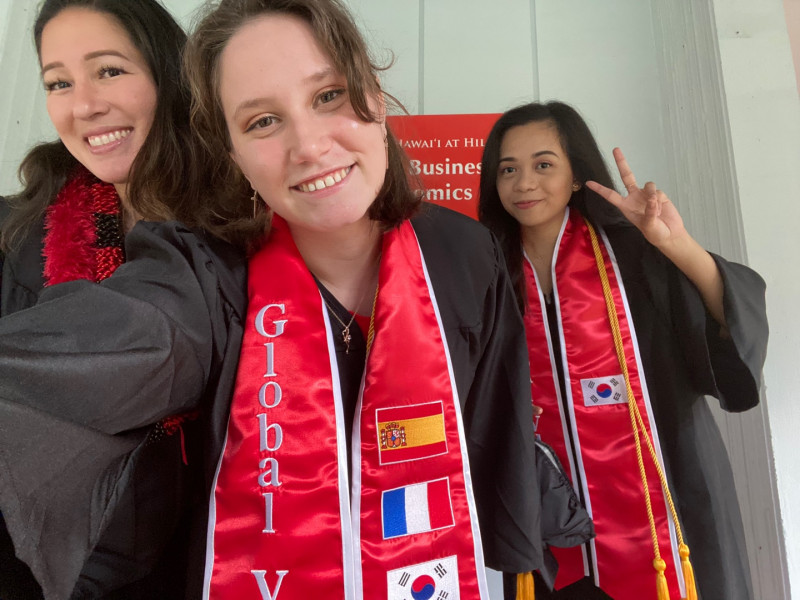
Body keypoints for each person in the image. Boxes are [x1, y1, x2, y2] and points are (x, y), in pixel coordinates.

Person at [181, 1, 542, 598]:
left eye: (329, 95)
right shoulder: (208, 278)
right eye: (262, 122)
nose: (310, 145)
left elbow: (497, 431)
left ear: (376, 97)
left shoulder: (466, 252)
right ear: (233, 154)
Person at [0, 0, 251, 597]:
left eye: (109, 70)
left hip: (193, 563)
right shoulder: (20, 231)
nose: (83, 105)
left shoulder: (234, 222)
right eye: (59, 82)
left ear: (167, 74)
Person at [478, 101, 768, 600]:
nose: (524, 183)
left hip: (666, 492)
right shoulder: (485, 272)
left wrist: (674, 244)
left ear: (575, 175)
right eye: (509, 169)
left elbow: (727, 328)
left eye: (543, 164)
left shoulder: (633, 254)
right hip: (546, 515)